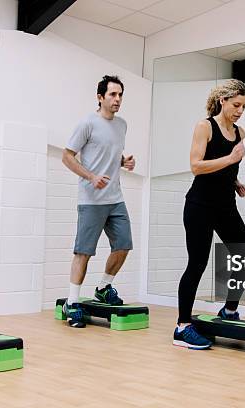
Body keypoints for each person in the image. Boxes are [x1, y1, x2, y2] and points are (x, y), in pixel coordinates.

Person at [174, 79, 245, 350]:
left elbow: (224, 168)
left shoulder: (240, 132)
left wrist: (235, 181)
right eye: (236, 105)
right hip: (199, 206)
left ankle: (229, 310)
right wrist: (231, 160)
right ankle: (182, 326)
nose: (240, 110)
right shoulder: (205, 126)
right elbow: (196, 166)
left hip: (226, 206)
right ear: (223, 101)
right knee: (197, 263)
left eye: (244, 106)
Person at [61, 75, 135, 328]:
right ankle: (72, 302)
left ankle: (104, 287)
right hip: (91, 200)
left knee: (123, 244)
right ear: (100, 97)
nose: (117, 99)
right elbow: (67, 156)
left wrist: (124, 161)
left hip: (115, 197)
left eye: (120, 95)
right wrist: (91, 176)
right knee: (84, 252)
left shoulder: (122, 125)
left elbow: (111, 151)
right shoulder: (87, 123)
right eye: (113, 95)